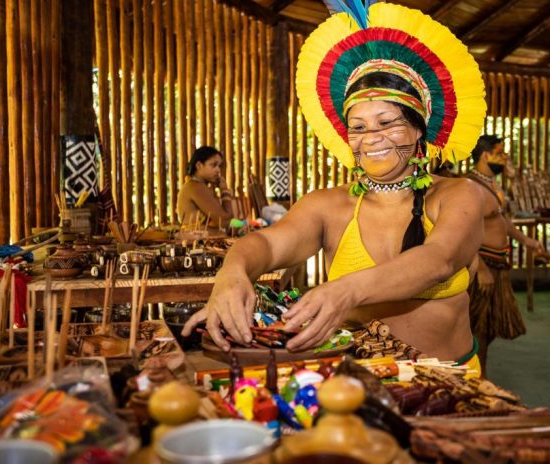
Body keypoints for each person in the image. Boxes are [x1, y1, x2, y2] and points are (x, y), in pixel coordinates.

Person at [182, 2, 487, 369]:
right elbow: (265, 242)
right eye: (357, 127)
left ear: (419, 128)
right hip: (352, 387)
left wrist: (347, 290)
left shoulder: (459, 195)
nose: (371, 138)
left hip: (449, 386)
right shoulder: (328, 206)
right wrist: (231, 273)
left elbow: (440, 260)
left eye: (386, 122)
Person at [466, 135, 549, 373]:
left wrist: (526, 241)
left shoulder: (492, 184)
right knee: (477, 327)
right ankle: (476, 378)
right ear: (485, 156)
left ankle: (479, 374)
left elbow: (501, 219)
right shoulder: (470, 187)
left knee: (490, 328)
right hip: (482, 264)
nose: (505, 158)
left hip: (498, 264)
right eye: (500, 153)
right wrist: (480, 268)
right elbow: (464, 232)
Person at [177, 146, 234, 230]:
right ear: (199, 165)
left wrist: (243, 224)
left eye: (219, 166)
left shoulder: (197, 186)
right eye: (213, 165)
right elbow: (225, 221)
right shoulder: (195, 187)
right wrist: (224, 191)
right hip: (197, 241)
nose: (218, 170)